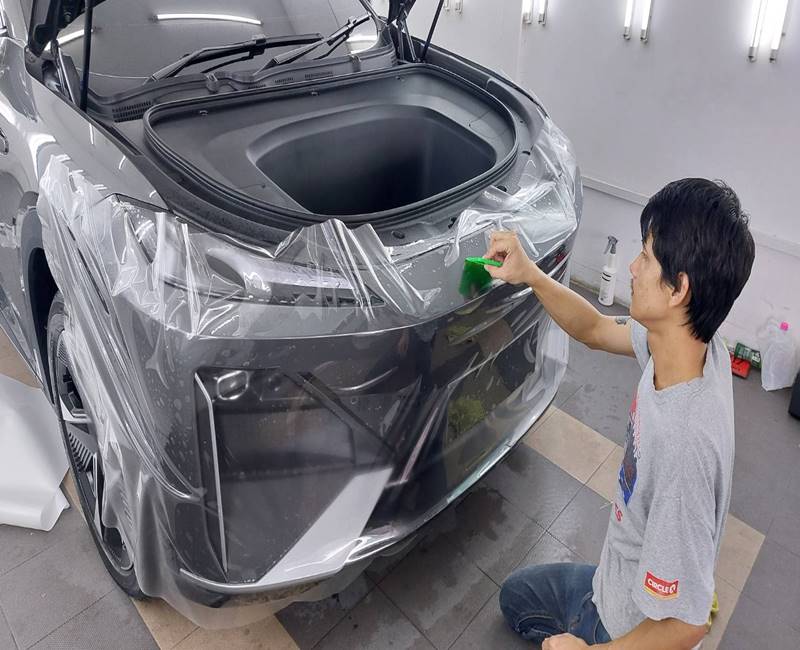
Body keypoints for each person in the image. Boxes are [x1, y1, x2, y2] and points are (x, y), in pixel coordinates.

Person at [487, 179, 755, 649]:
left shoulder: (684, 445)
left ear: (679, 289)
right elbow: (593, 328)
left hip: (625, 626)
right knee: (516, 596)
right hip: (615, 580)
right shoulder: (692, 345)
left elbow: (688, 624)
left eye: (646, 257)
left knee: (532, 616)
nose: (632, 267)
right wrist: (529, 272)